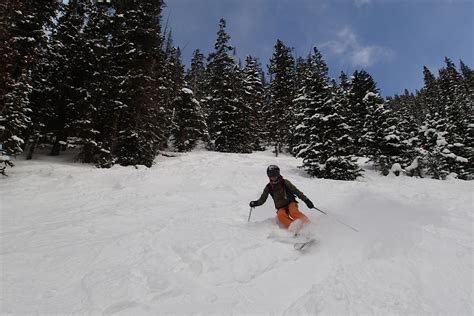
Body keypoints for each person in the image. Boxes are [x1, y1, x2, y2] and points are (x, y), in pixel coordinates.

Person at [249, 165, 314, 232]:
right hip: (281, 207)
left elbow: (296, 191)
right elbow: (262, 199)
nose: (273, 176)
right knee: (280, 215)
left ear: (278, 174)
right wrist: (255, 203)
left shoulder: (285, 182)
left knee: (293, 212)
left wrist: (306, 200)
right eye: (271, 175)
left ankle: (308, 225)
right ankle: (294, 228)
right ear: (268, 176)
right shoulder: (268, 187)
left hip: (290, 202)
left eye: (275, 174)